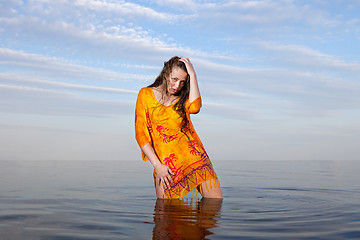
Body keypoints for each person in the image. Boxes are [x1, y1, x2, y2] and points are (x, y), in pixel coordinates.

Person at [135, 56, 223, 199]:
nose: (177, 86)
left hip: (196, 162)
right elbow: (141, 135)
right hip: (166, 167)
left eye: (182, 82)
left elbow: (195, 108)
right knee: (166, 215)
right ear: (166, 74)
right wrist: (157, 166)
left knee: (214, 206)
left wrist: (193, 75)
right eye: (174, 79)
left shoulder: (182, 99)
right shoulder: (145, 95)